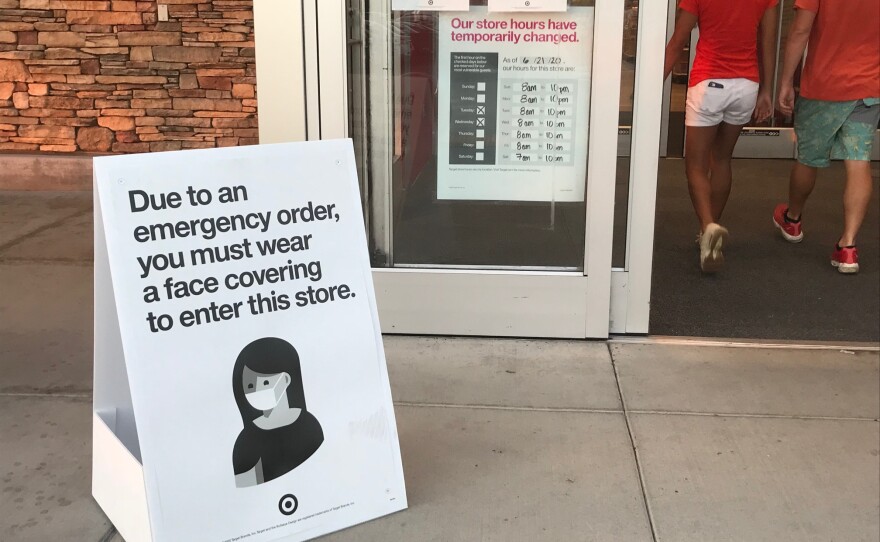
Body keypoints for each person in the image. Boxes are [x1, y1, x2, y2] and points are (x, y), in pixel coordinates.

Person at [664, 0, 778, 273]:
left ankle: (708, 226)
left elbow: (679, 40)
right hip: (746, 84)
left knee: (695, 164)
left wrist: (652, 83)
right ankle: (708, 232)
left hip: (709, 83)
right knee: (723, 159)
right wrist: (766, 90)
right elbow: (769, 40)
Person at [773, 0, 880, 274]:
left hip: (824, 84)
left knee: (808, 158)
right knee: (859, 161)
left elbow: (800, 30)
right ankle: (848, 247)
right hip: (869, 84)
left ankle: (793, 219)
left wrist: (785, 81)